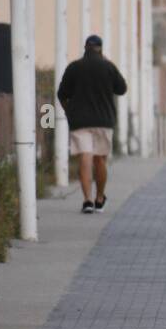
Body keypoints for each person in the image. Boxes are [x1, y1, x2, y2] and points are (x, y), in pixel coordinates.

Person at [57, 35, 127, 214]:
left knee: (85, 157)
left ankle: (87, 200)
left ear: (85, 48)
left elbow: (62, 93)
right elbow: (122, 89)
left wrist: (69, 111)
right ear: (100, 49)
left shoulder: (74, 67)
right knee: (100, 158)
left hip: (79, 120)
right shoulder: (108, 67)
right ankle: (100, 198)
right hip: (104, 120)